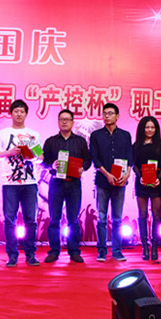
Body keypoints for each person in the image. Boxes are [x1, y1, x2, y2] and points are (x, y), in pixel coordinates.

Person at [0, 99, 42, 267]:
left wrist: (32, 156)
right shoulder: (3, 134)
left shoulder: (33, 135)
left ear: (26, 114)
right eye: (16, 111)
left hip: (30, 182)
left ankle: (31, 254)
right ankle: (12, 255)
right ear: (11, 113)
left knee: (31, 220)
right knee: (9, 220)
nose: (19, 114)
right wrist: (10, 152)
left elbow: (41, 157)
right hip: (10, 183)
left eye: (22, 111)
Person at [42, 109, 92, 264]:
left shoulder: (80, 141)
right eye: (61, 119)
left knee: (73, 219)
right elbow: (44, 162)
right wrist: (51, 165)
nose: (64, 122)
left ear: (72, 122)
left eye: (67, 119)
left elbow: (88, 160)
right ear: (58, 122)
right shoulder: (50, 141)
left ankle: (74, 251)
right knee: (54, 219)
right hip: (56, 183)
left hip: (74, 184)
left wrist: (83, 168)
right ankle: (54, 251)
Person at [89, 103, 133, 262]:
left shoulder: (125, 135)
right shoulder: (96, 135)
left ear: (117, 116)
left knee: (117, 219)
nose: (107, 116)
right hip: (102, 181)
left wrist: (127, 174)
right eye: (105, 113)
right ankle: (101, 251)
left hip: (120, 182)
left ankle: (117, 251)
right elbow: (95, 158)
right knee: (101, 218)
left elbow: (129, 156)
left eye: (110, 113)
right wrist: (107, 174)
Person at [132, 116, 161, 261]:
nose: (150, 130)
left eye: (152, 127)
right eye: (147, 127)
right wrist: (140, 176)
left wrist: (159, 178)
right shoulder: (136, 145)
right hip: (141, 182)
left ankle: (155, 246)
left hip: (157, 183)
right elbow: (133, 163)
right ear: (142, 128)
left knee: (156, 214)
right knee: (142, 214)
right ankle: (144, 246)